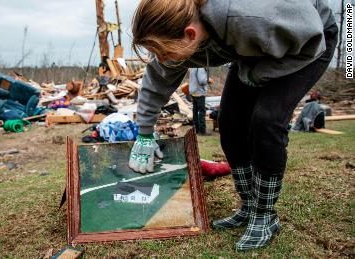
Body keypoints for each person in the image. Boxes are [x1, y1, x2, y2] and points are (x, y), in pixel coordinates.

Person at [127, 0, 337, 251]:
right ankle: (249, 205)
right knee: (229, 122)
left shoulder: (249, 18)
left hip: (307, 41)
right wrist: (145, 133)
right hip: (255, 48)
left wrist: (259, 75)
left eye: (165, 52)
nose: (163, 59)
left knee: (266, 120)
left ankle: (264, 215)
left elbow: (312, 40)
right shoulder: (184, 27)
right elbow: (159, 76)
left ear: (190, 35)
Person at [189, 67, 209, 135]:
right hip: (199, 92)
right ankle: (202, 131)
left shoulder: (192, 66)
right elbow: (202, 80)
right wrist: (209, 80)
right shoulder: (200, 67)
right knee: (201, 112)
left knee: (195, 111)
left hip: (193, 91)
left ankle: (196, 130)